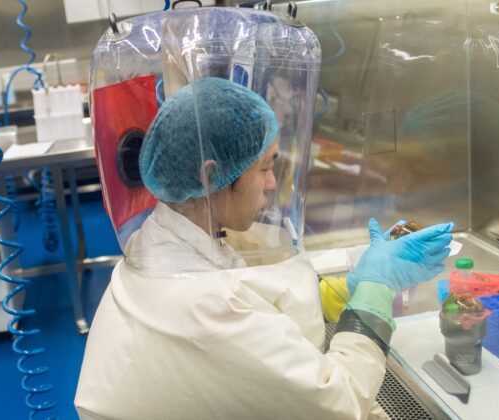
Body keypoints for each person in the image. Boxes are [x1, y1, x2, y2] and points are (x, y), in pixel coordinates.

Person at [75, 77, 453, 419]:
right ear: (210, 176)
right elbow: (340, 400)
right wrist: (376, 292)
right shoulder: (207, 307)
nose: (272, 184)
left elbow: (240, 295)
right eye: (265, 168)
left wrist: (324, 296)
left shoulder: (161, 238)